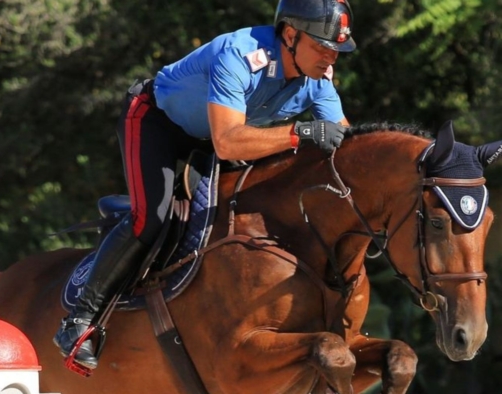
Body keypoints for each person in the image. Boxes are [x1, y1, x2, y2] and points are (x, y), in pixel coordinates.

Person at [54, 0, 356, 368]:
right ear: (290, 35)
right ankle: (79, 320)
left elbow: (344, 146)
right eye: (323, 47)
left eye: (337, 50)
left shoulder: (317, 80)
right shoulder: (240, 54)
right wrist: (302, 131)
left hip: (210, 139)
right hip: (157, 123)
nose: (331, 59)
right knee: (152, 218)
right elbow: (228, 140)